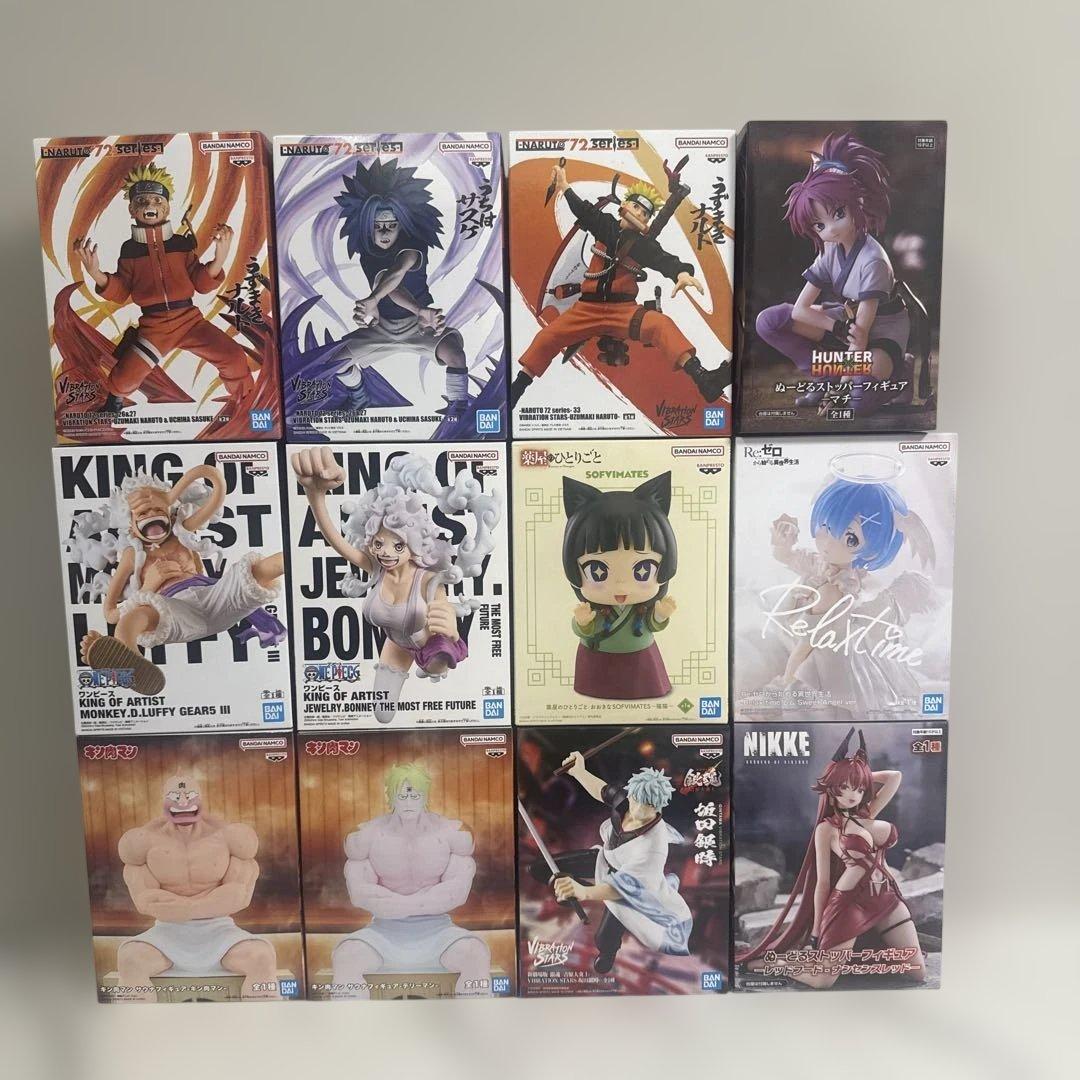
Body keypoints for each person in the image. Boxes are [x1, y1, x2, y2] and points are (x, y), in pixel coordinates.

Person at [737, 728, 926, 989]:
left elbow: (895, 777)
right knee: (823, 980)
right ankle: (779, 964)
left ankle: (829, 962)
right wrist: (816, 930)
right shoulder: (826, 829)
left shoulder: (868, 812)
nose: (852, 794)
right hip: (849, 903)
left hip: (887, 897)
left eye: (858, 788)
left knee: (916, 971)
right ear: (833, 789)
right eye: (844, 788)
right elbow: (822, 883)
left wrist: (856, 774)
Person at [73, 163, 254, 411]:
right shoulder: (129, 250)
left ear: (167, 207)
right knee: (124, 379)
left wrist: (220, 257)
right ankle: (113, 405)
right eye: (142, 201)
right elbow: (122, 290)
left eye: (158, 200)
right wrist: (96, 273)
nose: (150, 205)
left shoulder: (180, 244)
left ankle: (249, 404)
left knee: (233, 357)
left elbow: (201, 283)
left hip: (190, 321)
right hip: (154, 328)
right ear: (132, 209)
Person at [332, 763, 492, 998]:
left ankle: (479, 1019)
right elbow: (359, 894)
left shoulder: (454, 833)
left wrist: (398, 904)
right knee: (346, 956)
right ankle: (349, 1022)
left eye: (414, 795)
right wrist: (420, 901)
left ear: (425, 795)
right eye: (401, 795)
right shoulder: (364, 836)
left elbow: (456, 893)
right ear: (389, 795)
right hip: (382, 932)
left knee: (474, 953)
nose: (408, 802)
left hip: (439, 931)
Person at [116, 775, 280, 1001]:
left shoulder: (230, 837)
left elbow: (238, 896)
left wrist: (184, 907)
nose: (183, 802)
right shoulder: (142, 842)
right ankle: (136, 1023)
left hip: (220, 931)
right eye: (175, 796)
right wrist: (206, 903)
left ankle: (263, 1022)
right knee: (130, 958)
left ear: (201, 799)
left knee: (261, 957)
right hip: (167, 933)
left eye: (190, 795)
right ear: (163, 801)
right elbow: (145, 900)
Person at [529, 753, 692, 974]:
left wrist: (584, 892)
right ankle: (573, 890)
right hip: (605, 860)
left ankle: (607, 953)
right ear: (631, 794)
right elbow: (602, 790)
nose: (639, 809)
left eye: (648, 806)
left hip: (627, 887)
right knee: (541, 868)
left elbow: (626, 888)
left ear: (658, 807)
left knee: (604, 938)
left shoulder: (654, 845)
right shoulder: (625, 800)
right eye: (636, 800)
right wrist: (579, 771)